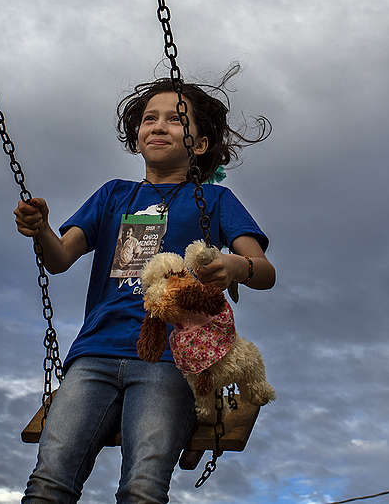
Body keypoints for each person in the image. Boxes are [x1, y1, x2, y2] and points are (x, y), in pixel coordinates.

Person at [15, 69, 274, 503]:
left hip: (171, 358)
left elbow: (265, 270)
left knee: (143, 487)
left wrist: (237, 266)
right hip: (95, 353)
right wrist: (40, 228)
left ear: (201, 144)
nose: (158, 126)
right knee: (49, 481)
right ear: (137, 138)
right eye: (150, 119)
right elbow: (58, 258)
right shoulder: (113, 195)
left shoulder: (214, 201)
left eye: (175, 119)